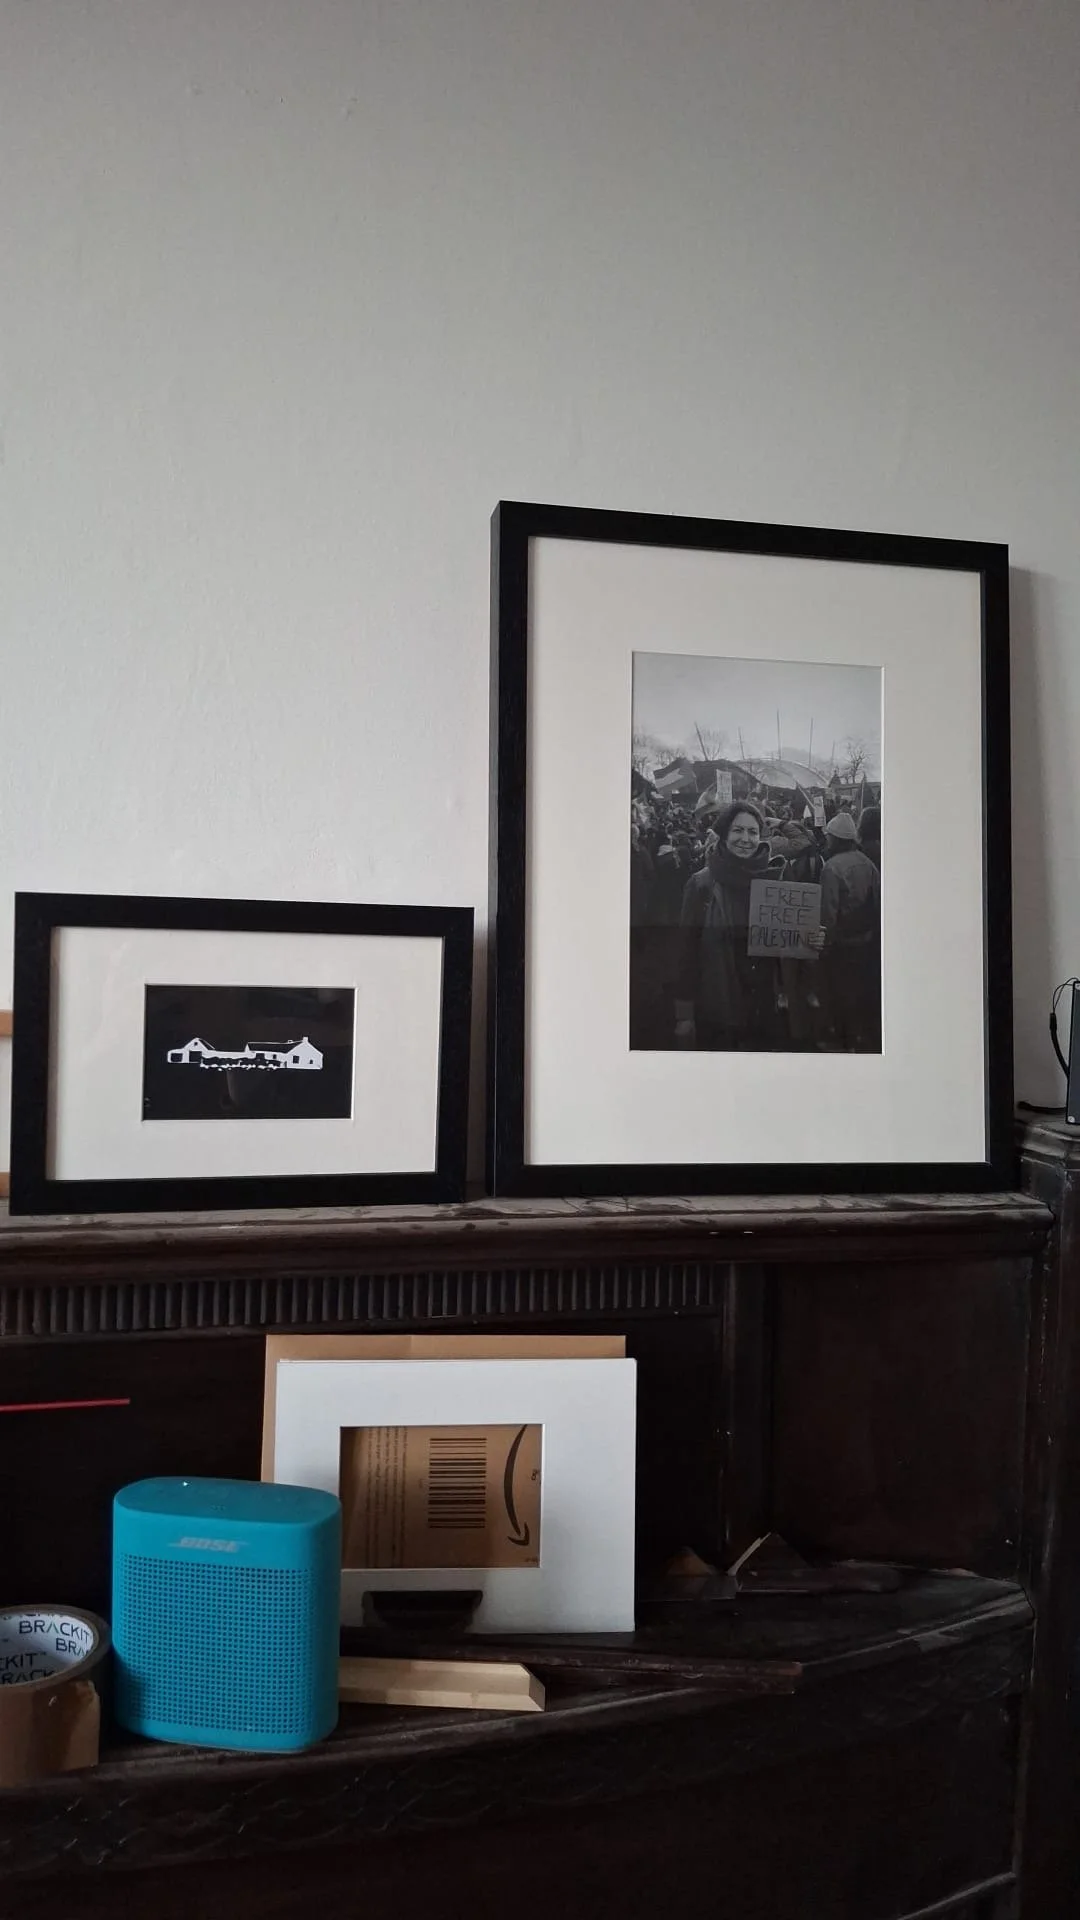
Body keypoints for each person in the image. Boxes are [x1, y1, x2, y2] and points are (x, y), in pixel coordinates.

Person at [674, 802, 787, 1050]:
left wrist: (812, 939)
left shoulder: (776, 880)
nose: (745, 839)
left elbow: (787, 946)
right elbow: (686, 952)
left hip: (764, 1008)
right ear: (724, 835)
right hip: (717, 1008)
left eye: (753, 832)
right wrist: (684, 1013)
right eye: (738, 830)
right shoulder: (701, 884)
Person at [820, 812, 881, 1050]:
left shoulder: (832, 868)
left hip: (842, 945)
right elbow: (877, 901)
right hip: (866, 940)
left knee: (841, 992)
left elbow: (828, 911)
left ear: (834, 839)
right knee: (860, 990)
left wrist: (825, 944)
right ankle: (861, 1035)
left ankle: (844, 1038)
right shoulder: (867, 862)